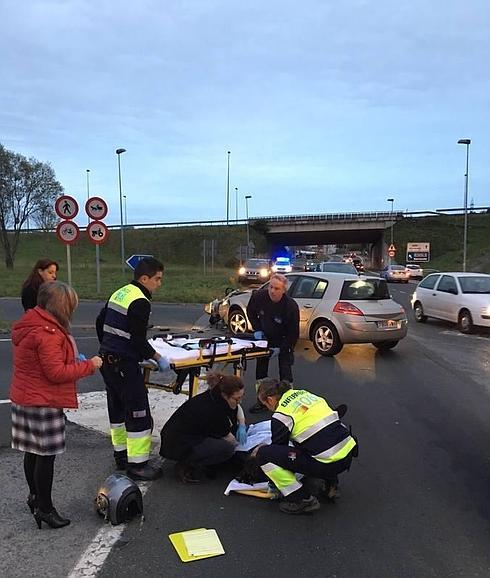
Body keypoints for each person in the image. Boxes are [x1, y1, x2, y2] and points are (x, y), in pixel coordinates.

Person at [10, 281, 102, 529]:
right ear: (62, 305)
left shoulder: (31, 323)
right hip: (43, 400)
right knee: (46, 456)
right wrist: (90, 365)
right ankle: (45, 508)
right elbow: (56, 372)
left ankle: (34, 498)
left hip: (25, 396)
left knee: (32, 451)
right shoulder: (48, 332)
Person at [96, 257, 169, 481]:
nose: (159, 284)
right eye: (157, 279)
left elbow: (100, 322)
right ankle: (137, 465)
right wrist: (157, 357)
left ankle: (121, 456)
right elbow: (138, 340)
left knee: (117, 410)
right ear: (144, 278)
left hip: (108, 361)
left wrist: (108, 345)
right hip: (123, 365)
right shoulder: (140, 301)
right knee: (138, 412)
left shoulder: (121, 292)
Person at [254, 378, 357, 515]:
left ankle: (301, 499)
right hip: (347, 453)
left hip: (326, 463)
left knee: (265, 454)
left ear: (270, 399)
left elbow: (280, 451)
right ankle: (331, 485)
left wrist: (274, 482)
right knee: (312, 441)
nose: (268, 408)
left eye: (265, 404)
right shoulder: (304, 394)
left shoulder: (282, 415)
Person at [159, 372, 247, 483]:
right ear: (225, 395)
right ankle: (186, 463)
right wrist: (244, 451)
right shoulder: (213, 410)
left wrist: (242, 425)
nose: (240, 401)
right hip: (177, 442)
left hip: (183, 434)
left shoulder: (217, 396)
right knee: (227, 449)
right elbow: (230, 439)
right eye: (237, 399)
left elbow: (237, 408)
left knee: (234, 432)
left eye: (242, 396)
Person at [247, 273, 299, 413]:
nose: (272, 291)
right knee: (261, 371)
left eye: (276, 288)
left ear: (283, 290)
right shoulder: (259, 297)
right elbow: (250, 312)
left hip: (284, 338)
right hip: (265, 336)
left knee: (285, 372)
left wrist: (282, 349)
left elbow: (293, 334)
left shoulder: (290, 306)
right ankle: (261, 401)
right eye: (270, 287)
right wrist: (257, 329)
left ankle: (288, 404)